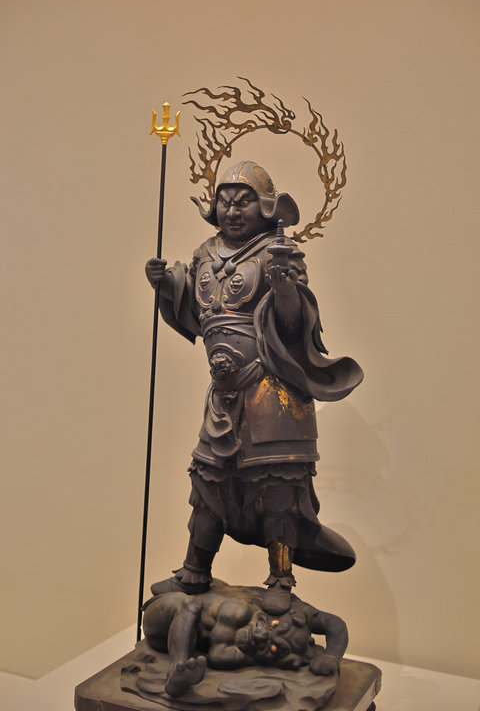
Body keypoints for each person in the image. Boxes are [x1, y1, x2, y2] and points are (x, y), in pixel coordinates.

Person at [145, 161, 363, 614]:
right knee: (209, 482)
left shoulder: (276, 253)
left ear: (266, 208)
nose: (232, 210)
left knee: (278, 489)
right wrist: (166, 283)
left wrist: (285, 292)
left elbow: (294, 325)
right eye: (224, 201)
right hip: (223, 393)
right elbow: (198, 315)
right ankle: (195, 569)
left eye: (243, 201)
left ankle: (280, 577)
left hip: (271, 389)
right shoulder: (205, 253)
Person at [142, 578, 348, 697]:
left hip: (190, 635)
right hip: (163, 617)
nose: (261, 636)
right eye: (273, 625)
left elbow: (335, 625)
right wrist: (258, 656)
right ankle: (176, 670)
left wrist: (331, 656)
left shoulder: (286, 619)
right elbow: (218, 656)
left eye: (273, 648)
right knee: (190, 606)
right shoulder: (238, 610)